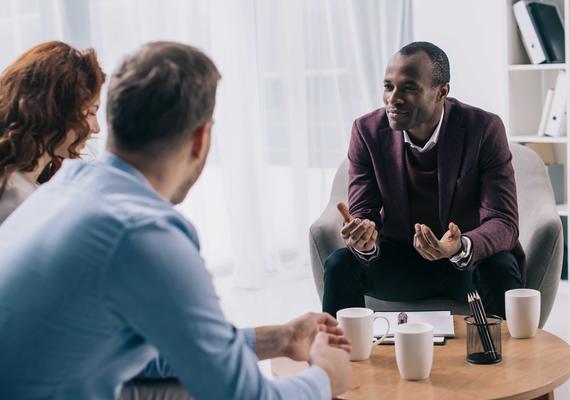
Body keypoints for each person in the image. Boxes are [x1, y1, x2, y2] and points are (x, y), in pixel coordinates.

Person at [0, 41, 351, 399]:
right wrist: (326, 376)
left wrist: (280, 338)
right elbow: (244, 396)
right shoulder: (143, 231)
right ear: (202, 138)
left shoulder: (65, 189)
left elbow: (144, 356)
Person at [322, 41, 524, 319]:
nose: (393, 98)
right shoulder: (366, 131)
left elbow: (503, 221)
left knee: (500, 265)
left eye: (409, 87)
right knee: (340, 264)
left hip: (462, 263)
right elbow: (364, 212)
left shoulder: (484, 129)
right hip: (399, 261)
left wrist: (459, 246)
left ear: (442, 92)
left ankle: (505, 361)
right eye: (388, 86)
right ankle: (340, 356)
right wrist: (365, 238)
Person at [0, 41, 104, 224]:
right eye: (90, 113)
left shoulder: (24, 187)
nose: (96, 128)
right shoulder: (17, 201)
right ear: (54, 111)